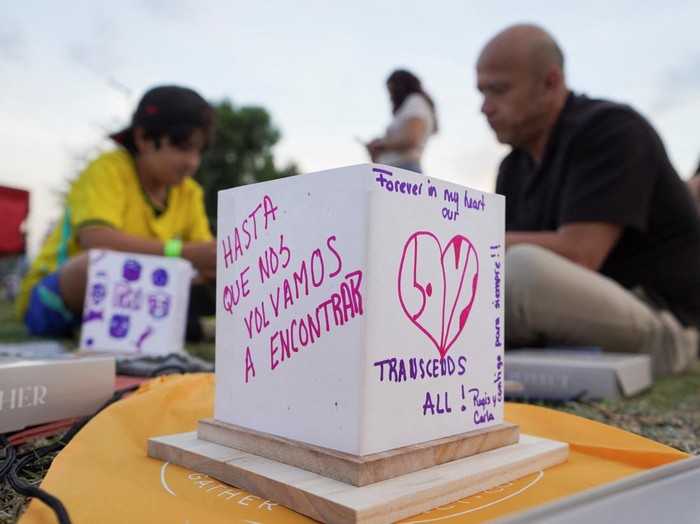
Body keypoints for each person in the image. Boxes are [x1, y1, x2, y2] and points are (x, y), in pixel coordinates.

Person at [476, 24, 700, 375]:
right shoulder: (513, 166)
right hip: (564, 325)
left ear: (550, 84)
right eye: (482, 93)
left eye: (499, 90)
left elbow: (580, 254)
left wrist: (466, 240)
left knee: (521, 272)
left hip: (663, 326)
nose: (485, 108)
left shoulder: (611, 129)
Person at [16, 85, 218, 341]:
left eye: (199, 151)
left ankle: (193, 327)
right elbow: (96, 240)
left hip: (134, 297)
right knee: (96, 266)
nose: (192, 162)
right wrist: (183, 252)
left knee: (203, 277)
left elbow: (204, 257)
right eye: (183, 147)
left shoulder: (189, 193)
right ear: (143, 138)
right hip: (59, 296)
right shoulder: (108, 169)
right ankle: (190, 328)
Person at [367, 69, 437, 173]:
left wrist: (380, 144)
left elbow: (412, 139)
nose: (391, 96)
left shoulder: (415, 101)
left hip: (403, 169)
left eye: (391, 90)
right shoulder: (408, 106)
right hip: (391, 171)